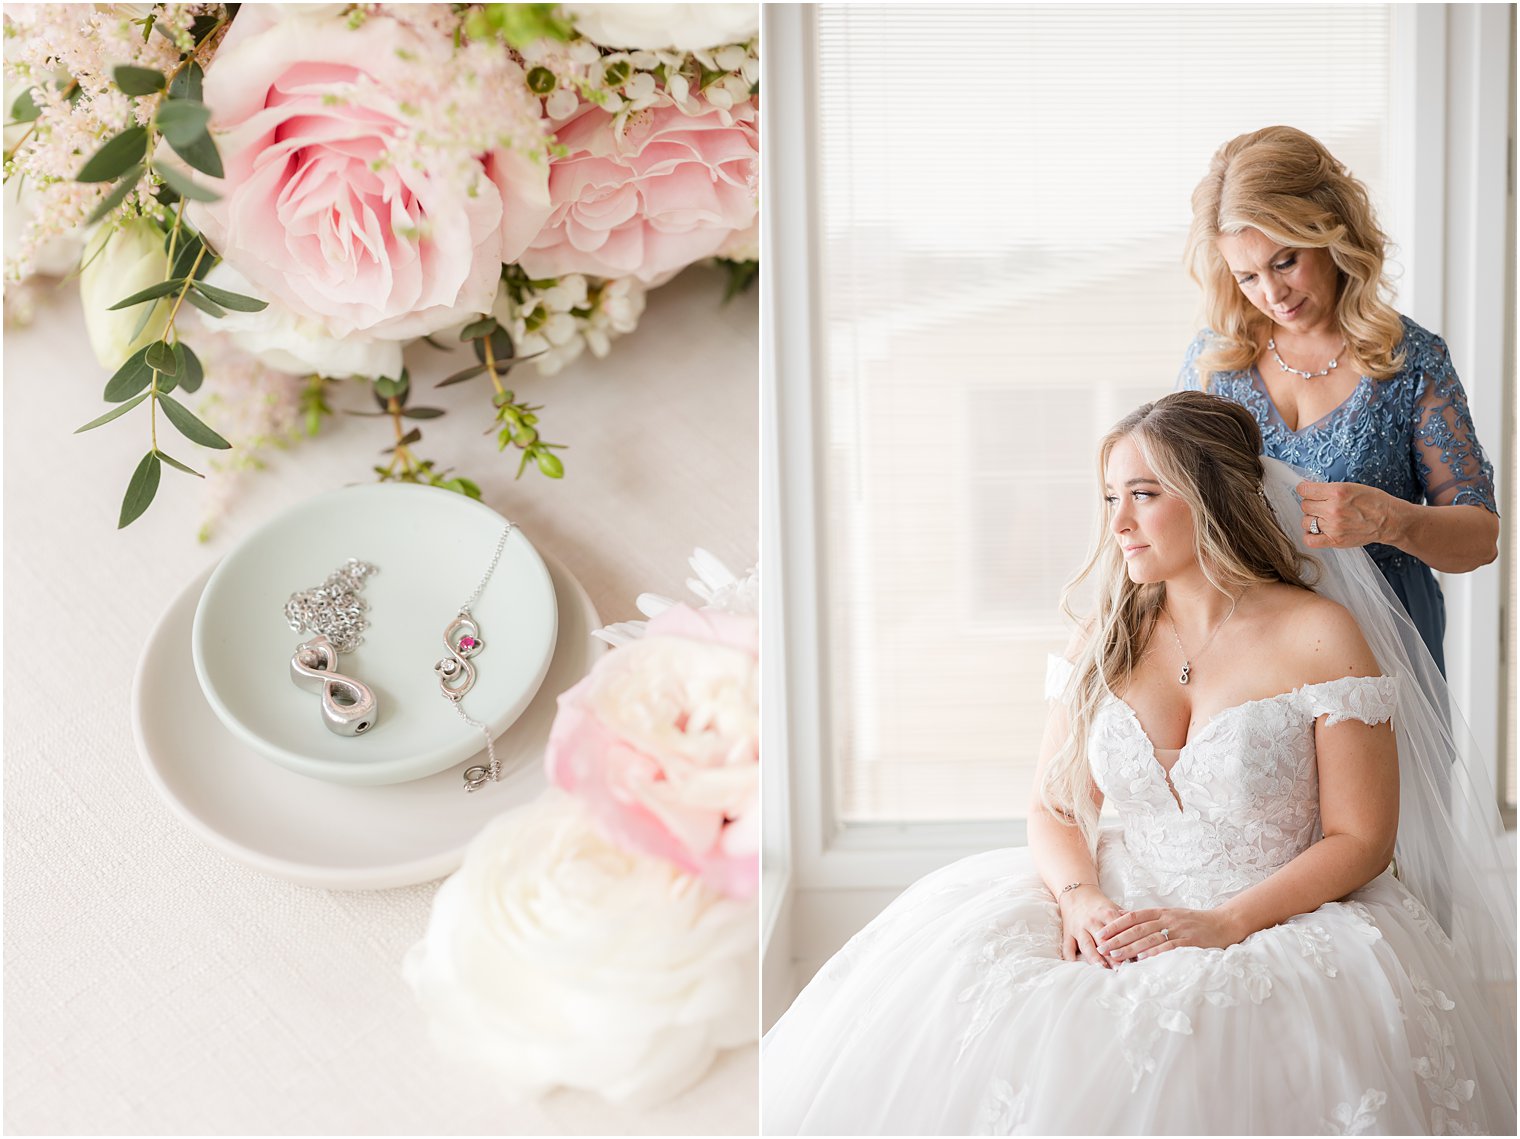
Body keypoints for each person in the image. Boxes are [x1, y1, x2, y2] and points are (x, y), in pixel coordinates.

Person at [761, 392, 1515, 1136]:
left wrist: (1225, 922)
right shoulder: (1105, 634)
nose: (1117, 522)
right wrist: (1081, 898)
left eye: (1144, 495)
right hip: (1118, 900)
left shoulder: (1319, 633)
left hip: (1274, 916)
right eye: (1110, 496)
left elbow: (1361, 838)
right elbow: (1055, 807)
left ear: (1211, 497)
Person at [1178, 125, 1498, 674]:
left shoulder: (1410, 359)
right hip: (1257, 646)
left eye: (1285, 262)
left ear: (1332, 232)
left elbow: (1480, 538)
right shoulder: (1215, 362)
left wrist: (1389, 520)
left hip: (1389, 641)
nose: (1272, 295)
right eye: (1247, 276)